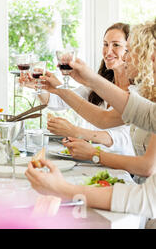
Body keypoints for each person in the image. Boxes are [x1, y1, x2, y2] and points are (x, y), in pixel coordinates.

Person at [25, 21, 156, 221]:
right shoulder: (147, 99)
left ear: (150, 57)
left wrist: (64, 188)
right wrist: (85, 78)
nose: (126, 57)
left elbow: (147, 188)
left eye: (129, 50)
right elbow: (106, 117)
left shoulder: (143, 93)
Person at [21, 23, 134, 156]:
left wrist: (73, 130)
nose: (108, 51)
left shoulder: (138, 92)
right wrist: (39, 85)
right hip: (88, 159)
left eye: (116, 45)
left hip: (119, 164)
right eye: (105, 44)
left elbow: (122, 137)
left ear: (131, 50)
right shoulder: (100, 85)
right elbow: (56, 101)